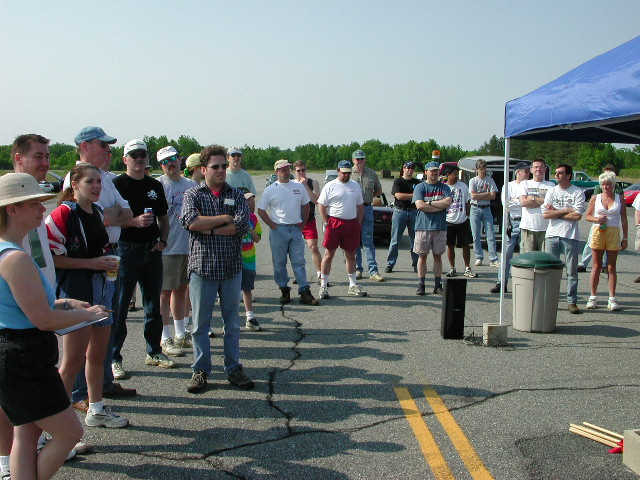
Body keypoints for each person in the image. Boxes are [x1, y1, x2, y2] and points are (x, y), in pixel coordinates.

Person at [0, 173, 107, 480]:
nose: (41, 210)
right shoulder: (15, 258)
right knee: (68, 432)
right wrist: (88, 316)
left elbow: (32, 308)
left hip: (17, 353)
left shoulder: (10, 252)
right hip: (24, 356)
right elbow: (42, 319)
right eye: (33, 204)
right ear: (12, 209)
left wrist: (69, 304)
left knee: (27, 434)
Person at [46, 163, 128, 429]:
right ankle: (54, 423)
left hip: (101, 288)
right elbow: (54, 260)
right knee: (71, 362)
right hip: (76, 292)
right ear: (74, 185)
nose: (96, 187)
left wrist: (103, 263)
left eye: (98, 182)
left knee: (98, 354)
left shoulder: (98, 211)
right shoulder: (63, 214)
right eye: (89, 182)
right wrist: (92, 264)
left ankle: (96, 409)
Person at [64, 126, 136, 409]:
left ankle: (102, 383)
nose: (108, 150)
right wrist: (111, 215)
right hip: (89, 262)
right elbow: (96, 216)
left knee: (107, 321)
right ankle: (80, 393)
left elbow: (125, 212)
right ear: (84, 145)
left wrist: (112, 215)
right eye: (102, 144)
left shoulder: (104, 177)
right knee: (86, 326)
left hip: (110, 256)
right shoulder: (77, 176)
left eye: (108, 146)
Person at [180, 145, 254, 394]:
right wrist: (224, 218)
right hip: (202, 269)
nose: (222, 170)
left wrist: (207, 228)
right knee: (200, 325)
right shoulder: (193, 195)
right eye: (216, 166)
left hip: (232, 268)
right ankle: (200, 370)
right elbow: (191, 222)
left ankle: (233, 369)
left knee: (232, 324)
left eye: (224, 165)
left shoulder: (236, 193)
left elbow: (242, 225)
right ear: (203, 170)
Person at [112, 139, 174, 376]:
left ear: (147, 159)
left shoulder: (154, 185)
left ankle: (154, 351)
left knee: (153, 306)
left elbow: (164, 218)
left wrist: (163, 241)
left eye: (143, 155)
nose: (139, 159)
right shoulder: (116, 185)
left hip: (152, 250)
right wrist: (133, 222)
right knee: (120, 308)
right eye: (133, 155)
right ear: (125, 159)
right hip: (125, 250)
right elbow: (108, 219)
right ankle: (114, 357)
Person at [257, 159, 319, 306]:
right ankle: (284, 289)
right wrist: (273, 226)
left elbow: (306, 206)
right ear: (277, 172)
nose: (286, 172)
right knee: (279, 263)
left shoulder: (298, 187)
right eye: (282, 169)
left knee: (299, 262)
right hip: (279, 229)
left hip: (296, 228)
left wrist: (302, 224)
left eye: (287, 169)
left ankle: (305, 291)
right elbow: (261, 210)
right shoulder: (271, 189)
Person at [156, 146, 198, 356]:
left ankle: (181, 333)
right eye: (165, 161)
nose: (170, 164)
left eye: (173, 159)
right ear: (161, 165)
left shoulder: (191, 184)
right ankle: (165, 337)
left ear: (180, 160)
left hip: (188, 246)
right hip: (168, 248)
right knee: (164, 293)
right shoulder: (159, 185)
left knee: (181, 290)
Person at [317, 160, 366, 299]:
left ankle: (352, 285)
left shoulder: (355, 186)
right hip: (334, 223)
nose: (346, 175)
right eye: (344, 173)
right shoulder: (330, 186)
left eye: (349, 173)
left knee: (351, 255)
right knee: (328, 254)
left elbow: (360, 205)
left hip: (351, 224)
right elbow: (321, 205)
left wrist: (358, 222)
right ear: (338, 171)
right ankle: (323, 286)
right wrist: (327, 222)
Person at [542, 164, 586, 314]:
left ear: (568, 176)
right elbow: (546, 214)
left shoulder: (577, 192)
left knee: (571, 271)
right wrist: (567, 210)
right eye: (556, 173)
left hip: (570, 236)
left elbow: (578, 215)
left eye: (560, 173)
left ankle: (571, 301)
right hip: (552, 235)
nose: (557, 175)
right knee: (550, 270)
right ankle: (550, 299)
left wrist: (556, 212)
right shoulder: (551, 191)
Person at [584, 172, 628, 310]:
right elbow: (587, 216)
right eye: (603, 184)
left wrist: (625, 238)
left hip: (613, 232)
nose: (605, 187)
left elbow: (624, 219)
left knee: (611, 267)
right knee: (596, 266)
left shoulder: (619, 199)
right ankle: (593, 297)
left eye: (608, 184)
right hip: (598, 232)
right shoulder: (595, 198)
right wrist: (597, 219)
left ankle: (612, 299)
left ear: (613, 185)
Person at [490, 162, 531, 293]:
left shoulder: (529, 186)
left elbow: (531, 202)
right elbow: (506, 204)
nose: (528, 173)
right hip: (512, 222)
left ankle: (524, 284)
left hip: (527, 221)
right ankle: (501, 282)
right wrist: (522, 201)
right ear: (518, 172)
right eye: (526, 171)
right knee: (506, 254)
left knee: (525, 254)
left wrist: (518, 201)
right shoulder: (508, 186)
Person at [413, 161, 452, 295]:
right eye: (431, 171)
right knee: (422, 256)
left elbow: (447, 202)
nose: (434, 173)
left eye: (436, 170)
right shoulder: (420, 187)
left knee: (438, 256)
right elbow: (419, 205)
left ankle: (437, 284)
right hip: (423, 226)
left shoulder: (444, 187)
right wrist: (437, 206)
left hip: (440, 226)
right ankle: (421, 284)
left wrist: (429, 203)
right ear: (426, 172)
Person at [577, 165, 622, 272]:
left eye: (610, 174)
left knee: (609, 247)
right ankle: (583, 263)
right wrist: (597, 219)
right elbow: (596, 203)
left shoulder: (619, 190)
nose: (607, 177)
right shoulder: (598, 188)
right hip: (598, 223)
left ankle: (605, 265)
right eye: (605, 174)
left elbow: (621, 208)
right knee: (590, 243)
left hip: (612, 225)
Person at [351, 149, 384, 282]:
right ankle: (358, 269)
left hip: (367, 208)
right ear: (353, 160)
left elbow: (379, 190)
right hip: (352, 210)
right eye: (357, 159)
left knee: (368, 241)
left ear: (365, 160)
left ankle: (373, 271)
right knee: (355, 242)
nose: (360, 161)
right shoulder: (349, 173)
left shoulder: (371, 173)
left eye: (362, 159)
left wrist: (369, 196)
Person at [385, 161, 420, 274]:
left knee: (414, 240)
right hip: (400, 212)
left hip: (414, 212)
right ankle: (390, 264)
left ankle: (416, 264)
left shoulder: (417, 182)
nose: (410, 170)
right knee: (395, 240)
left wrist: (409, 196)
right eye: (408, 168)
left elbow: (421, 195)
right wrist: (413, 195)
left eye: (412, 168)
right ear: (403, 169)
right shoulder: (398, 181)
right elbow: (398, 196)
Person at [443, 164, 478, 279]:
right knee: (450, 245)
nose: (456, 176)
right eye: (454, 174)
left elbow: (468, 201)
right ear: (448, 175)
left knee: (466, 245)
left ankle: (467, 268)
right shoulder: (444, 188)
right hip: (448, 221)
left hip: (462, 220)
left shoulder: (463, 186)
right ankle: (452, 268)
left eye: (457, 174)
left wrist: (467, 214)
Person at [293, 160, 323, 283]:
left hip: (309, 220)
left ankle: (321, 274)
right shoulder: (291, 183)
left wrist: (305, 186)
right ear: (294, 171)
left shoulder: (312, 183)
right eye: (298, 171)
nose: (301, 173)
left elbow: (317, 200)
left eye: (303, 170)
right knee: (295, 250)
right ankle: (298, 274)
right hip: (295, 221)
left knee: (313, 247)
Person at [517, 157, 554, 253]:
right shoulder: (524, 184)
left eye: (541, 167)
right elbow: (523, 202)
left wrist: (532, 198)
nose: (539, 169)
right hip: (528, 227)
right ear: (531, 169)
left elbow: (552, 205)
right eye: (536, 167)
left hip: (546, 229)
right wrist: (544, 201)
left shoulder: (551, 186)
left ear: (545, 169)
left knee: (544, 260)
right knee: (527, 259)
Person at [239, 190, 262, 331]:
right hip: (234, 260)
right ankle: (230, 321)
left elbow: (257, 238)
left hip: (249, 260)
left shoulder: (253, 218)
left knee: (247, 289)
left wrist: (248, 228)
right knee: (230, 292)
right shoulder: (232, 217)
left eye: (250, 200)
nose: (248, 203)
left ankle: (250, 317)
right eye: (246, 200)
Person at [469, 159, 498, 267]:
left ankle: (493, 259)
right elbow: (473, 196)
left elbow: (493, 196)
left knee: (490, 234)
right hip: (475, 208)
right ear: (477, 170)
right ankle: (478, 257)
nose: (483, 171)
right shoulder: (473, 181)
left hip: (486, 208)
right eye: (481, 169)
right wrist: (486, 193)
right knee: (475, 235)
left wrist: (481, 195)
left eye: (484, 169)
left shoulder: (489, 180)